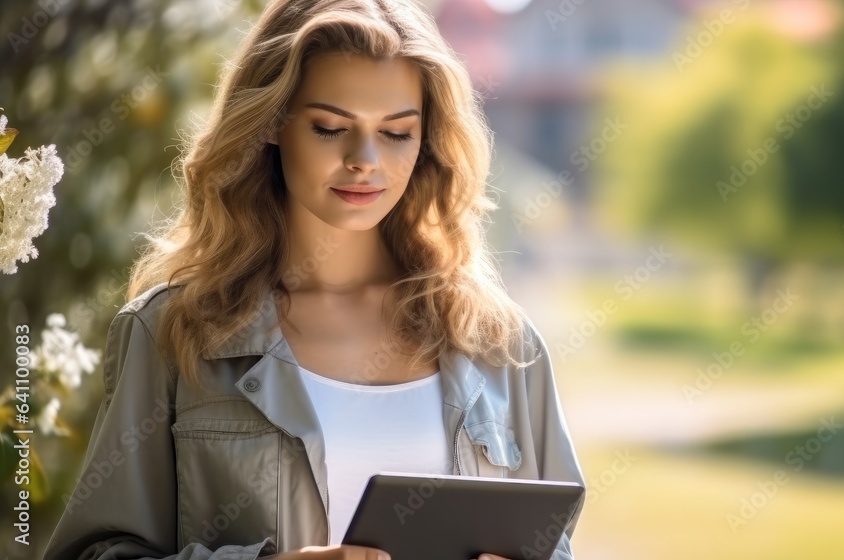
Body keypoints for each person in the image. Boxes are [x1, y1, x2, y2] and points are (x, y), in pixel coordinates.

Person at [41, 0, 586, 559]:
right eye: (330, 128)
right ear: (272, 123)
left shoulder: (500, 343)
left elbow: (556, 547)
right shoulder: (173, 333)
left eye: (397, 133)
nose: (365, 160)